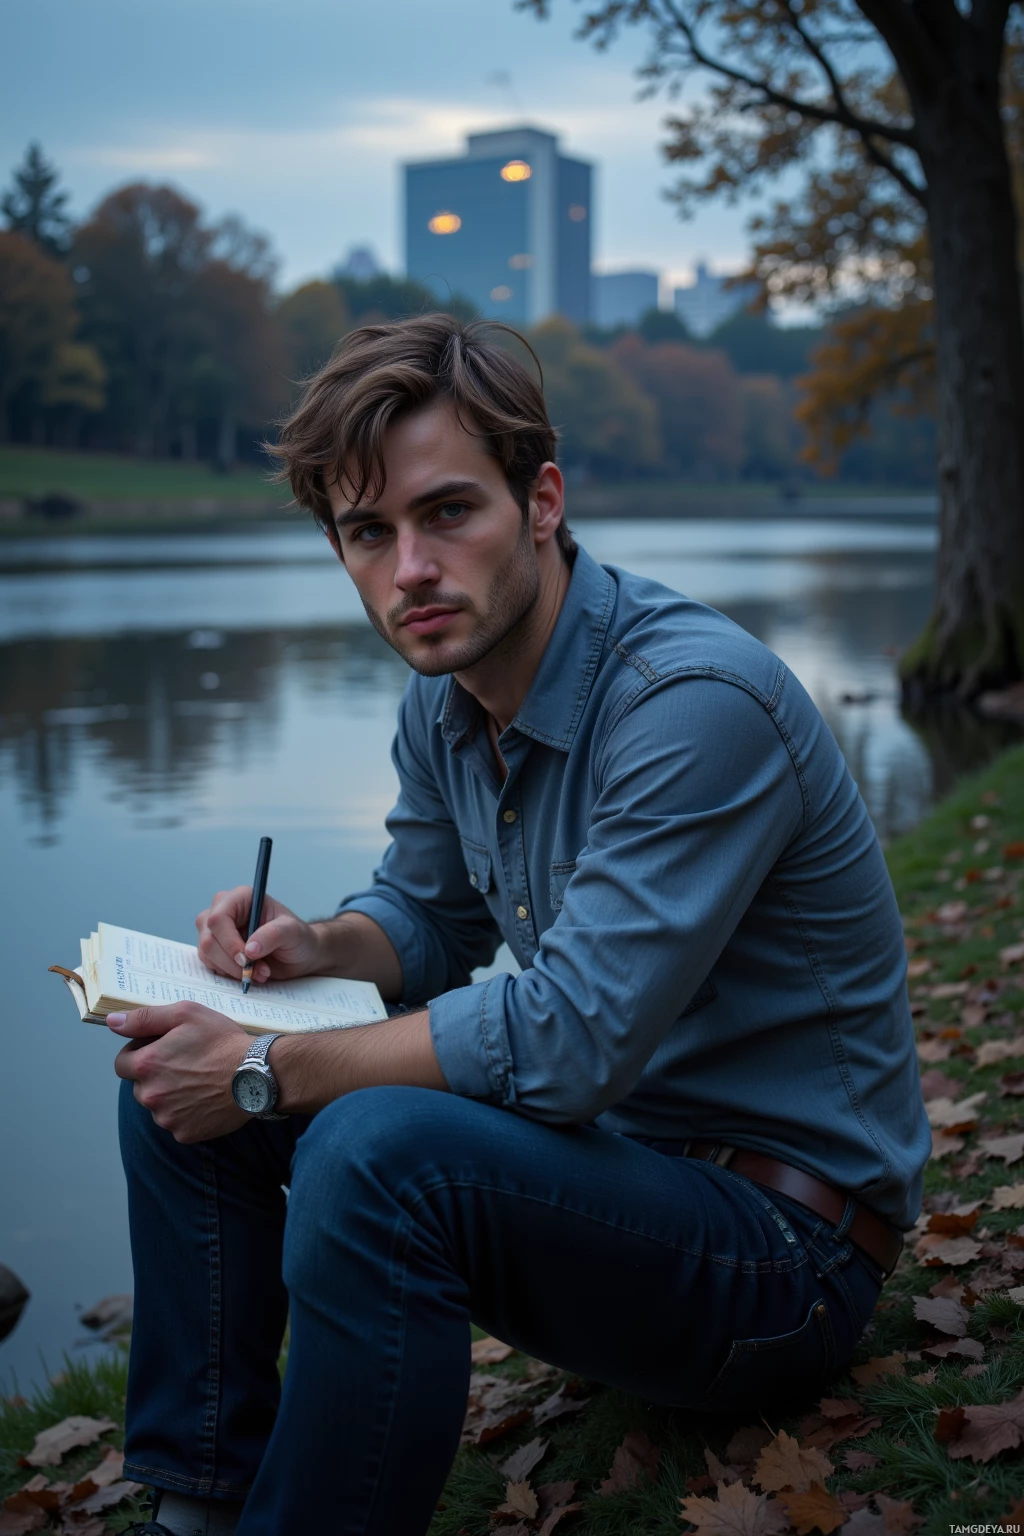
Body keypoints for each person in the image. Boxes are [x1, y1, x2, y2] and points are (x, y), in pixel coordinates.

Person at [115, 314, 930, 1536]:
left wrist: (268, 1071)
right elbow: (430, 918)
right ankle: (196, 1504)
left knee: (360, 1143)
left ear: (541, 501)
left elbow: (566, 1040)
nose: (409, 572)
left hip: (783, 1260)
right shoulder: (443, 699)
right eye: (368, 533)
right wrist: (314, 947)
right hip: (618, 1190)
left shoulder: (691, 704)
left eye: (448, 513)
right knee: (178, 1066)